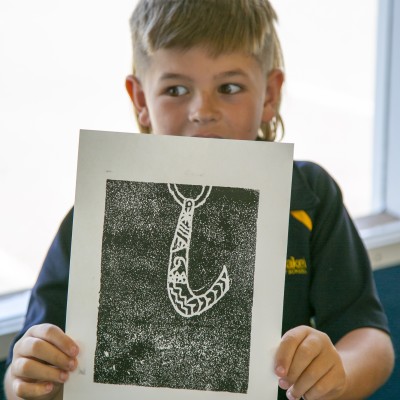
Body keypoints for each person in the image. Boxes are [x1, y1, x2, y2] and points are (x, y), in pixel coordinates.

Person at [4, 1, 395, 399]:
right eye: (176, 90)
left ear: (270, 95)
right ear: (140, 100)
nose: (201, 111)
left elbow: (371, 341)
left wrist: (337, 373)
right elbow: (25, 367)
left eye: (229, 88)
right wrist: (31, 378)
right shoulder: (101, 209)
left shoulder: (309, 197)